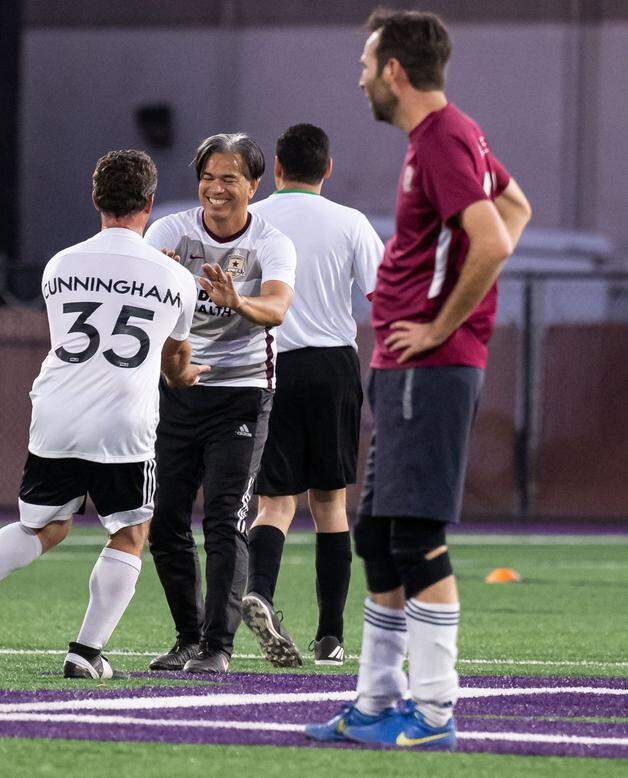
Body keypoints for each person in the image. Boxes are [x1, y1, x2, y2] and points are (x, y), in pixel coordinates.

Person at [305, 10, 531, 750]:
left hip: (428, 367)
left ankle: (433, 714)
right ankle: (375, 701)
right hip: (407, 368)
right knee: (376, 533)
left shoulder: (439, 139)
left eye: (368, 62)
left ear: (396, 70)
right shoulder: (446, 136)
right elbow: (516, 206)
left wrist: (443, 325)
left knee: (415, 536)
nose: (362, 75)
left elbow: (493, 237)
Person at [0, 149, 204, 679]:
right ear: (149, 202)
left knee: (45, 526)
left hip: (56, 411)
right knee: (128, 533)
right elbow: (174, 359)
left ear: (95, 199)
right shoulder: (175, 279)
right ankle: (87, 653)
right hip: (123, 421)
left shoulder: (60, 264)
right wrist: (186, 377)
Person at [143, 133, 297, 674]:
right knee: (162, 521)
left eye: (229, 178)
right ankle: (187, 637)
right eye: (208, 177)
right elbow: (136, 294)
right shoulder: (168, 232)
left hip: (241, 393)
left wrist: (238, 300)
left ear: (254, 185)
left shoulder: (272, 242)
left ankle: (217, 646)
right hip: (177, 389)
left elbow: (277, 309)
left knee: (224, 520)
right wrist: (150, 276)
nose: (215, 188)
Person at [240, 123, 383, 669]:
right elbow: (382, 295)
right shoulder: (350, 222)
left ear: (274, 167)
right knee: (330, 503)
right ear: (328, 168)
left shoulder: (255, 221)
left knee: (275, 502)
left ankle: (261, 592)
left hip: (270, 364)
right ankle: (330, 636)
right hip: (331, 366)